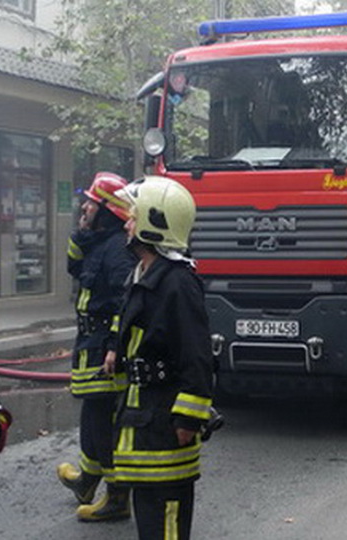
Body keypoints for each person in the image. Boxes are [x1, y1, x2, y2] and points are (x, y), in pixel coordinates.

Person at [112, 176, 214, 539]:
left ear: (154, 223)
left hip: (166, 420)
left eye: (132, 216)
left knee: (166, 515)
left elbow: (197, 356)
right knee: (150, 513)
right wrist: (116, 353)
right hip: (145, 415)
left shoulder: (177, 283)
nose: (126, 223)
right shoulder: (144, 273)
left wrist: (188, 416)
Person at [56, 172, 137, 521]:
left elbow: (127, 301)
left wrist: (116, 348)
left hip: (105, 345)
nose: (85, 206)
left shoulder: (118, 249)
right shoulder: (98, 241)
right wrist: (82, 229)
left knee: (103, 421)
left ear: (107, 210)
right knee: (92, 415)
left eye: (91, 202)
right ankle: (87, 481)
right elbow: (75, 266)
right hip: (90, 341)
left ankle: (117, 498)